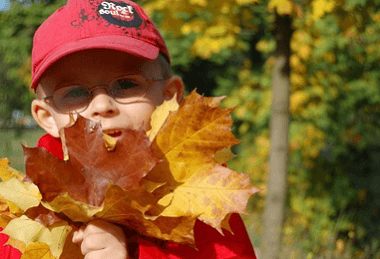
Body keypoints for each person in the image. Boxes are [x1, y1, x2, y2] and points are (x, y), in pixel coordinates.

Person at [1, 0, 258, 258]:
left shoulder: (202, 197)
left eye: (126, 85)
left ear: (169, 98)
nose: (102, 105)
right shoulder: (27, 217)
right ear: (46, 117)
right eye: (76, 93)